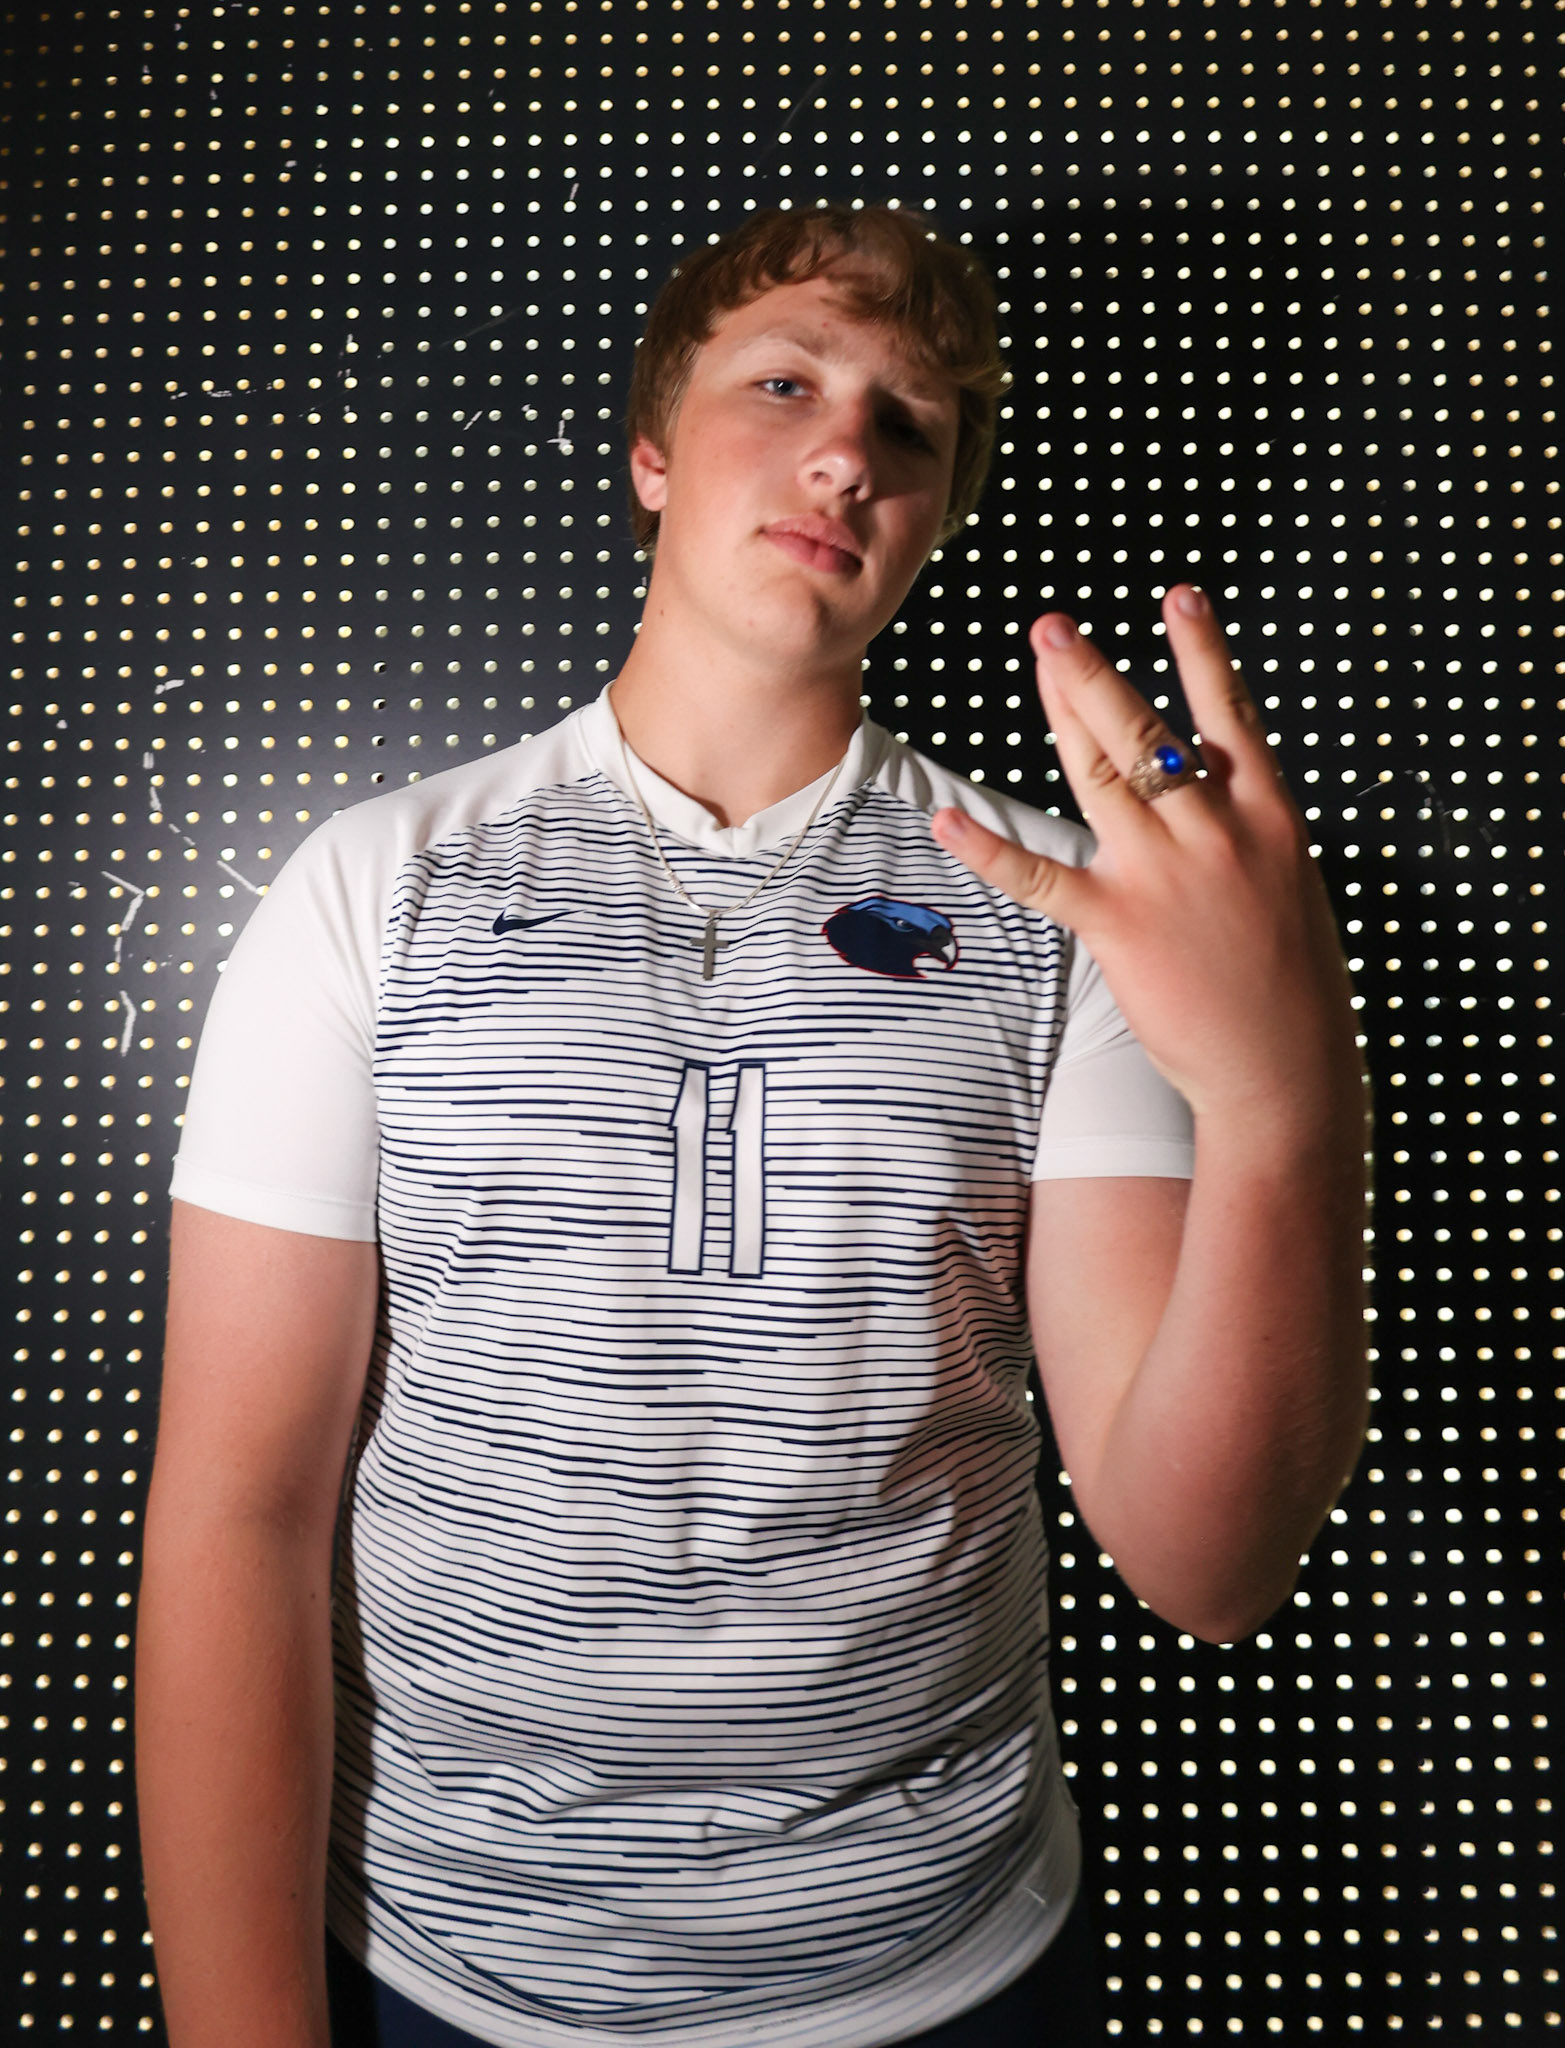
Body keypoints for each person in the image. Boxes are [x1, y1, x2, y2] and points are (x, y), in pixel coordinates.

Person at [135, 201, 1371, 2048]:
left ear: (934, 517)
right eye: (782, 380)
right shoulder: (369, 884)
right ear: (647, 450)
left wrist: (1282, 1095)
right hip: (457, 1965)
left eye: (906, 426)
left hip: (945, 1963)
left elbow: (1204, 1562)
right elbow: (241, 1510)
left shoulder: (1065, 902)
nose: (840, 451)